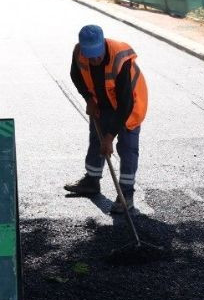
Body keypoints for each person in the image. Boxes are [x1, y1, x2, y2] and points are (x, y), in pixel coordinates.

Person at [63, 24, 149, 214]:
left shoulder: (120, 58)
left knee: (127, 147)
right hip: (102, 102)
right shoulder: (79, 52)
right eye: (90, 56)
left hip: (130, 104)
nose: (94, 60)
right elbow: (75, 75)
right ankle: (91, 181)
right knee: (96, 139)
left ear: (103, 44)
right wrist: (88, 99)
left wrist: (110, 136)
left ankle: (126, 195)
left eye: (98, 55)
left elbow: (125, 103)